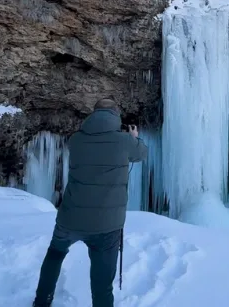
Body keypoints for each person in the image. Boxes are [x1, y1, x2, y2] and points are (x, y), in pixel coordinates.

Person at [33, 98, 148, 307]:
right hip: (107, 225)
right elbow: (141, 153)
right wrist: (133, 137)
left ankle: (42, 300)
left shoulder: (76, 140)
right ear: (116, 116)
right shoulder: (124, 141)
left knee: (55, 254)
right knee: (102, 285)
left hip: (70, 218)